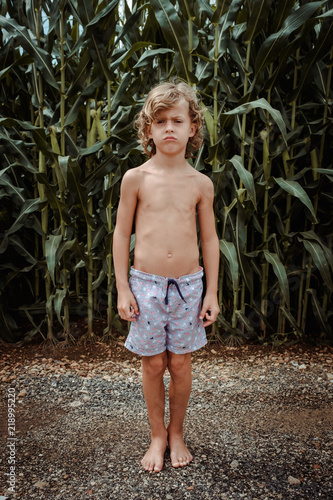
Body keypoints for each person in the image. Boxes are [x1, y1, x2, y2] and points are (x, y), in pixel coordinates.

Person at [113, 80, 220, 473]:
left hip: (190, 287)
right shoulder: (136, 178)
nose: (169, 128)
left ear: (193, 128)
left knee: (181, 365)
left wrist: (211, 293)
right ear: (149, 131)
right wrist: (124, 287)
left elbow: (209, 238)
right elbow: (122, 233)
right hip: (146, 286)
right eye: (160, 121)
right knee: (154, 364)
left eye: (178, 120)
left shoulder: (201, 184)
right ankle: (157, 435)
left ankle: (177, 432)